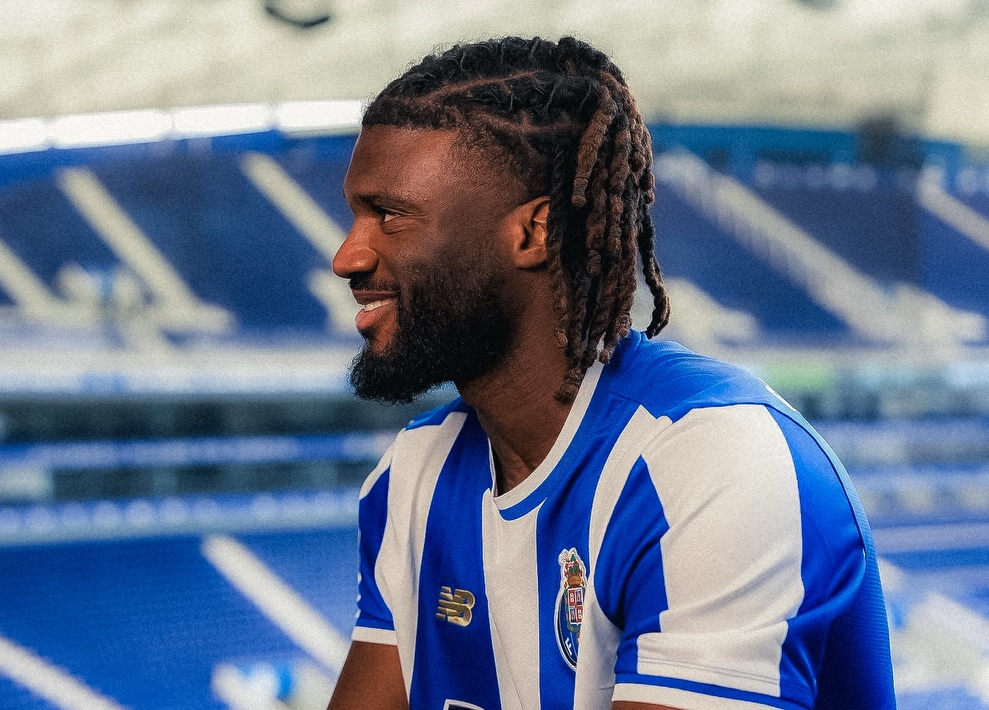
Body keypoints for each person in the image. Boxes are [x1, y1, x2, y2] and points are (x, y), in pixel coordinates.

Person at [327, 35, 896, 710]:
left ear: (534, 232)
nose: (346, 257)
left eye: (389, 216)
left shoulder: (713, 461)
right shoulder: (413, 475)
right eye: (354, 215)